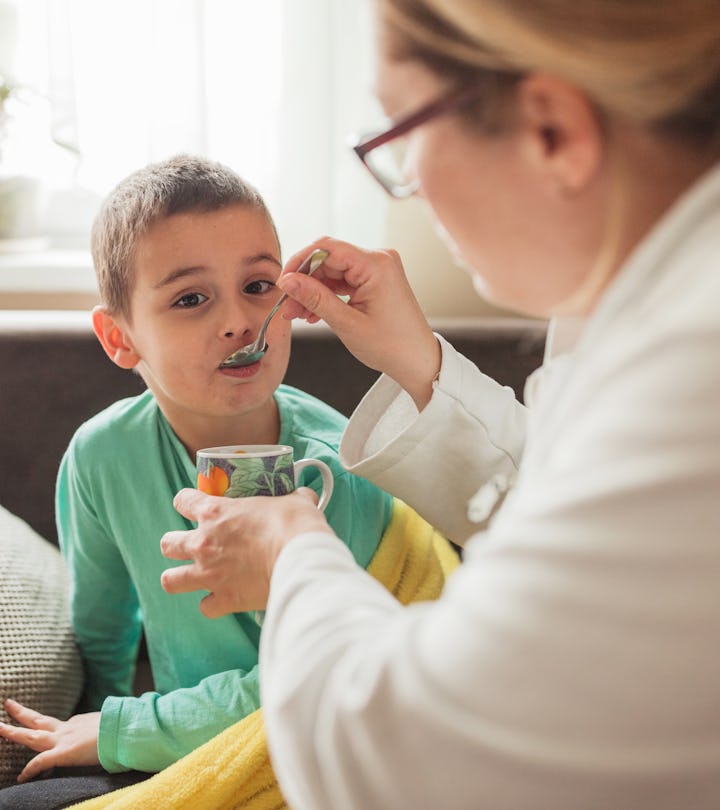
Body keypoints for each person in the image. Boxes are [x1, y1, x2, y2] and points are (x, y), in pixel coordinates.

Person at [153, 2, 720, 809]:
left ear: (551, 130)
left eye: (403, 133)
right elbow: (578, 517)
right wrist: (418, 364)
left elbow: (406, 759)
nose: (409, 183)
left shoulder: (694, 369)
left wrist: (294, 552)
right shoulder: (642, 304)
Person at [0, 154, 457, 807]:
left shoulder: (334, 464)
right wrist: (96, 730)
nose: (240, 321)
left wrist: (124, 733)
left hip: (319, 727)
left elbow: (315, 672)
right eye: (191, 298)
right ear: (119, 338)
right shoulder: (101, 458)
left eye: (259, 285)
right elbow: (102, 633)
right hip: (189, 737)